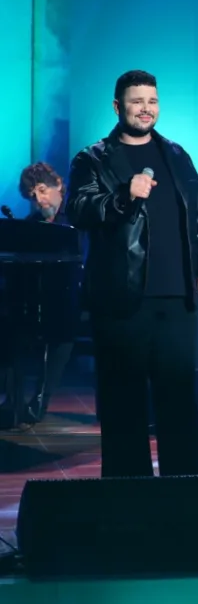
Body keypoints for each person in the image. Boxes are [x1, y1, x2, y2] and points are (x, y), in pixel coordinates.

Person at [65, 69, 198, 478]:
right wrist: (123, 195)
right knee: (123, 401)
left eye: (152, 101)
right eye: (137, 101)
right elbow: (78, 209)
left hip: (178, 296)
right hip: (122, 297)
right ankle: (128, 490)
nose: (146, 109)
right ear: (118, 107)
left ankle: (186, 485)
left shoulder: (176, 154)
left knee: (178, 397)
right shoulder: (93, 158)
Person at [0, 162, 79, 428]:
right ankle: (12, 400)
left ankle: (40, 400)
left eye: (43, 190)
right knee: (10, 326)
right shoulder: (31, 225)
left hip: (74, 296)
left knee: (63, 334)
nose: (39, 200)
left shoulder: (78, 216)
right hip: (38, 297)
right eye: (32, 196)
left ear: (59, 185)